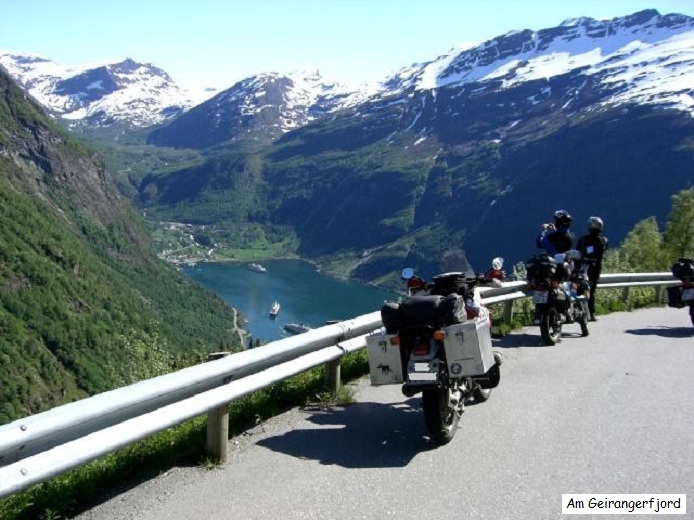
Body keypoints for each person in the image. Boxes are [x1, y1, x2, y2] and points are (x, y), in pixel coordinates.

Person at [576, 216, 609, 321]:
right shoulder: (603, 240)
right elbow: (603, 249)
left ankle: (580, 311)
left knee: (578, 286)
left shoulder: (583, 239)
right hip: (595, 268)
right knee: (591, 290)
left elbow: (578, 250)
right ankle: (591, 313)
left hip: (582, 266)